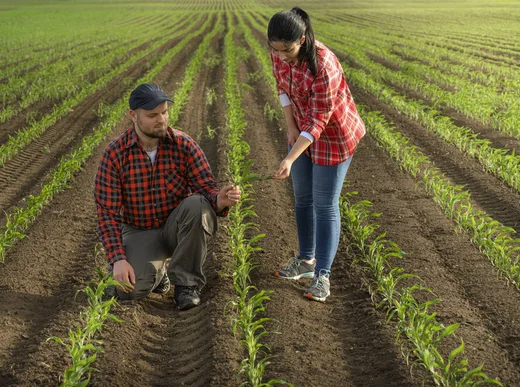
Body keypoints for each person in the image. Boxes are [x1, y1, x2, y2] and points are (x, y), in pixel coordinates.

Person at [94, 83, 240, 311]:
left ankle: (187, 285)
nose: (161, 119)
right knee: (129, 292)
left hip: (177, 228)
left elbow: (206, 189)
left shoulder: (184, 145)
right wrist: (118, 260)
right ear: (133, 116)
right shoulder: (115, 154)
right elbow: (107, 215)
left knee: (197, 205)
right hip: (139, 230)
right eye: (152, 115)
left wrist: (219, 200)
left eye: (164, 112)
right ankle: (157, 274)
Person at [268, 7, 366, 302]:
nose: (281, 56)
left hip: (333, 136)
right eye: (276, 50)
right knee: (302, 199)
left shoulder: (324, 65)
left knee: (324, 204)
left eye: (287, 50)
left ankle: (322, 275)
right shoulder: (279, 51)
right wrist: (289, 127)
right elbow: (282, 89)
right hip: (300, 131)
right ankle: (305, 261)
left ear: (302, 38)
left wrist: (289, 157)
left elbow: (318, 121)